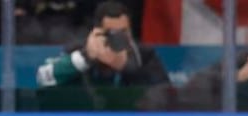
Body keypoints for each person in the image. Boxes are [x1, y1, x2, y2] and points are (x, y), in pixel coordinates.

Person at [35, 1, 169, 90]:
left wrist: (128, 69)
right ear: (97, 32)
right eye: (111, 33)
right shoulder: (80, 50)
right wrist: (85, 58)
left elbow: (164, 93)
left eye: (123, 32)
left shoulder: (143, 55)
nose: (118, 38)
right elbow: (43, 78)